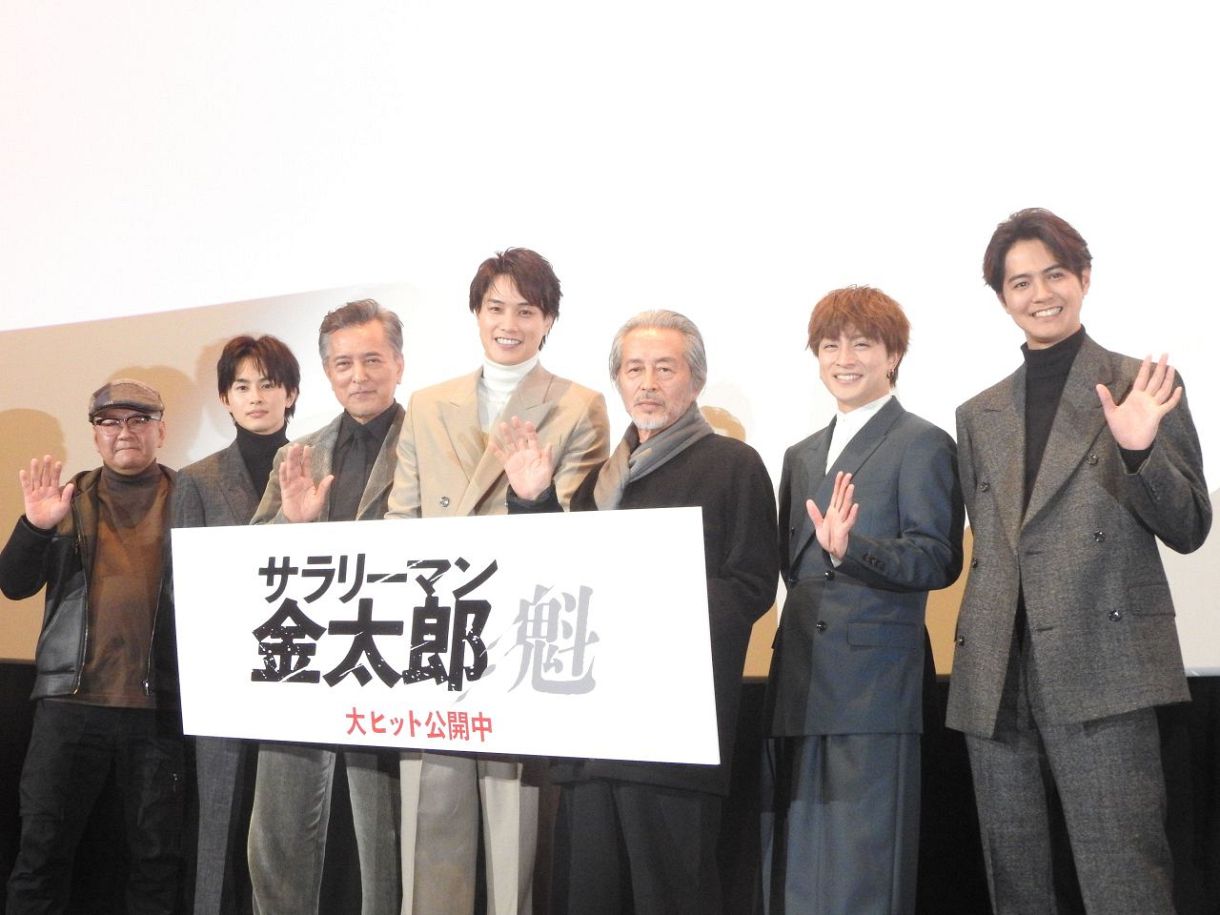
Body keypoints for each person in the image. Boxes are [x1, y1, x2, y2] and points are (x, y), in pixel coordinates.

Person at [948, 208, 1211, 914]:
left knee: (1125, 876)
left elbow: (1190, 526)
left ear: (1084, 278)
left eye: (1055, 274)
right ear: (1002, 297)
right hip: (996, 675)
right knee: (1015, 883)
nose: (1041, 294)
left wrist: (1139, 450)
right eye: (1020, 282)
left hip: (1105, 664)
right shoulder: (978, 413)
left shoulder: (1141, 383)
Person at [498, 309, 778, 914]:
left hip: (673, 737)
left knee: (671, 897)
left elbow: (751, 585)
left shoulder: (733, 465)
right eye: (634, 369)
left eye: (665, 369)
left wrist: (649, 608)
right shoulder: (598, 481)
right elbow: (557, 581)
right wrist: (533, 501)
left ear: (695, 380)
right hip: (591, 733)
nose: (648, 383)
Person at [385, 247, 609, 915]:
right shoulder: (428, 403)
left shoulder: (579, 405)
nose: (509, 324)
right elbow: (402, 519)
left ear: (549, 321)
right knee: (431, 824)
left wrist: (529, 494)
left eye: (526, 311)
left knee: (517, 832)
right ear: (476, 313)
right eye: (496, 308)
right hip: (434, 634)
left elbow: (576, 527)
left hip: (520, 633)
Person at [760, 286, 963, 913]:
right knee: (794, 861)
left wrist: (854, 550)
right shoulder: (799, 454)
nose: (844, 359)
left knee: (862, 865)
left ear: (893, 355)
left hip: (873, 684)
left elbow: (938, 558)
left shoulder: (922, 442)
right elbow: (794, 569)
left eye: (862, 344)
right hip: (800, 677)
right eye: (830, 345)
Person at [1, 379, 183, 913]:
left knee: (158, 860)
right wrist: (34, 528)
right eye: (110, 422)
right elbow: (13, 584)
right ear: (96, 434)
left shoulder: (191, 498)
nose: (124, 431)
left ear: (161, 431)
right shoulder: (66, 500)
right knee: (41, 852)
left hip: (160, 707)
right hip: (68, 705)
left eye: (139, 419)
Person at [246, 300, 404, 915]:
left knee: (387, 844)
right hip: (304, 663)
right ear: (327, 372)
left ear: (398, 363)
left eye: (372, 359)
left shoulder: (430, 443)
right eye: (343, 363)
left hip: (391, 666)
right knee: (277, 840)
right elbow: (253, 563)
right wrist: (293, 524)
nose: (358, 375)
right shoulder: (301, 453)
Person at [171, 334, 301, 915]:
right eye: (242, 386)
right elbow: (180, 585)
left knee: (291, 829)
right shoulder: (197, 479)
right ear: (225, 397)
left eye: (268, 384)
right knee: (221, 818)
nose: (256, 397)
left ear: (290, 393)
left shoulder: (316, 466)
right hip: (224, 679)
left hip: (299, 673)